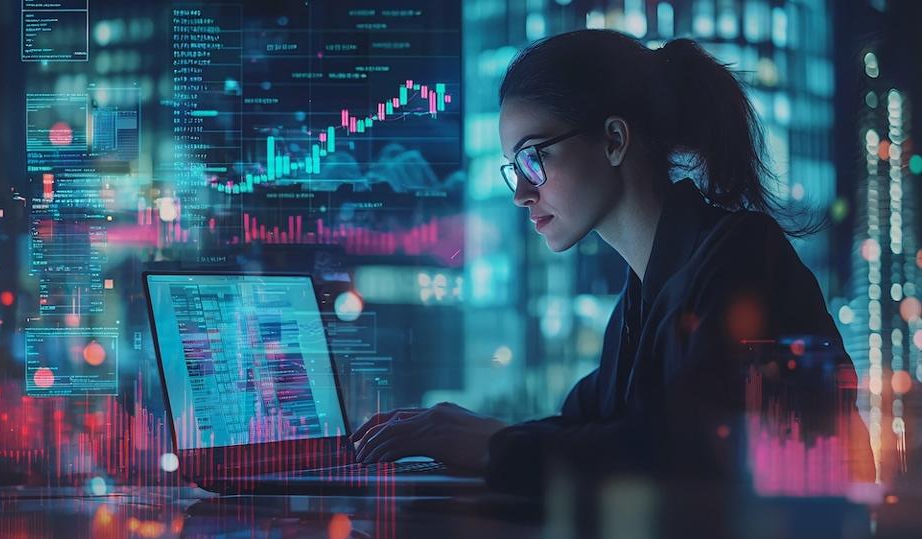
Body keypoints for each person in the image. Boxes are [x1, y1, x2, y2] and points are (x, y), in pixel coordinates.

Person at [350, 29, 873, 495]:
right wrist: (465, 432)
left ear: (614, 140)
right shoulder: (643, 296)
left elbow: (685, 461)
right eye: (514, 169)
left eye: (535, 156)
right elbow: (590, 428)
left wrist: (494, 445)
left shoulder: (740, 263)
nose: (522, 193)